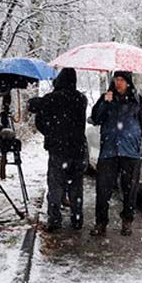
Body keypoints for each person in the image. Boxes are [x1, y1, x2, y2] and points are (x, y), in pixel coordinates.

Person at [89, 71, 142, 237]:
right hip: (109, 152)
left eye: (122, 80)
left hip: (130, 153)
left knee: (129, 190)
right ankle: (101, 223)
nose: (118, 83)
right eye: (116, 79)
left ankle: (127, 221)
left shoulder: (139, 102)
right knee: (103, 190)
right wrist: (104, 102)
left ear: (128, 82)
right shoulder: (106, 99)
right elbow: (95, 119)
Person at [27, 68, 88, 232]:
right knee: (76, 187)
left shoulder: (52, 99)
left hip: (59, 151)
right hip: (78, 150)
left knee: (55, 185)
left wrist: (49, 131)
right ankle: (77, 219)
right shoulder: (82, 99)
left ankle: (54, 220)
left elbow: (33, 106)